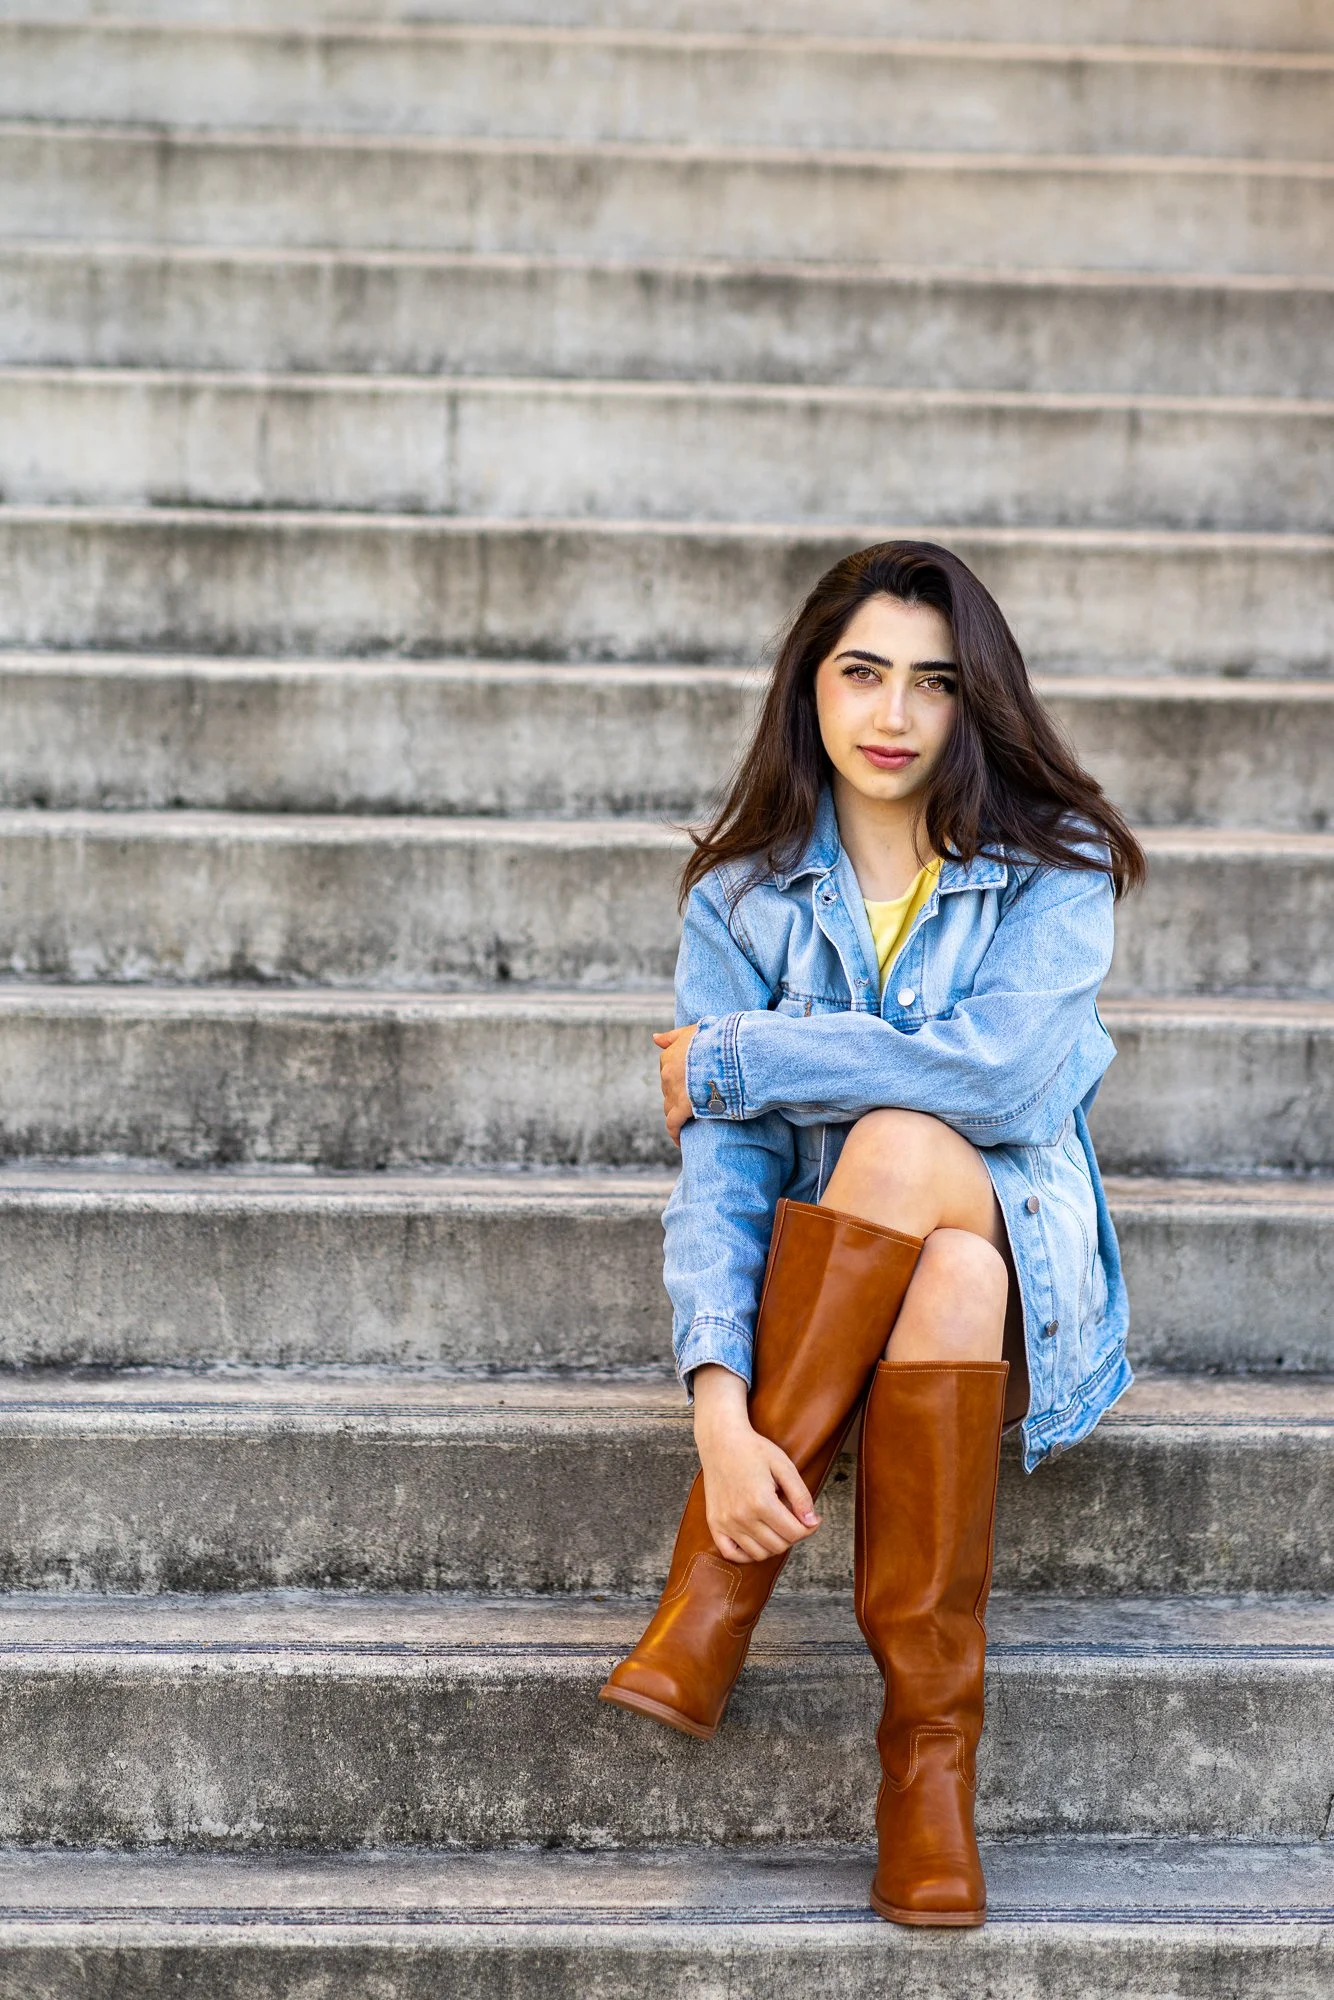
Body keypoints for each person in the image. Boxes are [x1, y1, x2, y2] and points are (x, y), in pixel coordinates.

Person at [599, 539, 1147, 1927]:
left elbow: (1006, 1083)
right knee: (940, 1272)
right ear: (811, 688)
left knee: (915, 1156)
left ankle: (715, 1598)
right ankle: (926, 1770)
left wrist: (744, 1058)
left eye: (932, 683)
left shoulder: (1049, 866)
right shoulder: (739, 901)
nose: (892, 714)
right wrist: (719, 1416)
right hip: (884, 1298)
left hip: (1031, 1244)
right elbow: (722, 1186)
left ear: (978, 705)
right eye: (860, 673)